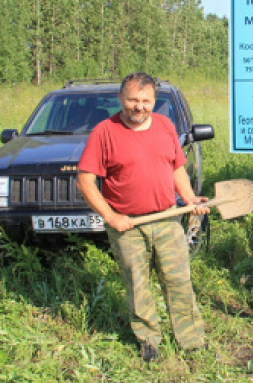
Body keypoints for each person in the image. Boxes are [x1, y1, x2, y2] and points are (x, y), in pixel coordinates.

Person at [76, 72, 209, 362]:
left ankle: (191, 340)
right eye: (133, 99)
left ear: (154, 101)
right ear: (121, 98)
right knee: (137, 285)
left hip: (167, 219)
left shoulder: (164, 126)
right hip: (128, 225)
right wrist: (111, 218)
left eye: (146, 100)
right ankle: (148, 341)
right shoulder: (104, 132)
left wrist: (189, 198)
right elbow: (85, 181)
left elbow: (176, 168)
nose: (139, 106)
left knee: (179, 282)